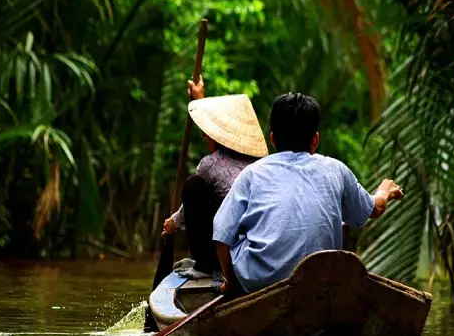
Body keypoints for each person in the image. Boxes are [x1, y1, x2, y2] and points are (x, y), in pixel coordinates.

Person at [212, 92, 403, 294]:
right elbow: (375, 208)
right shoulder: (335, 169)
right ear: (315, 140)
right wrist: (385, 190)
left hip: (259, 284)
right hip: (321, 281)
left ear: (273, 139)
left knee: (238, 234)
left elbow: (221, 233)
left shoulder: (251, 173)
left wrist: (231, 284)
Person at [161, 79, 268, 275]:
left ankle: (203, 266)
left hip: (227, 252)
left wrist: (173, 223)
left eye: (207, 134)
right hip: (262, 247)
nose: (204, 137)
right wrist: (199, 99)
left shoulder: (210, 163)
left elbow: (189, 207)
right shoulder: (263, 163)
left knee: (193, 185)